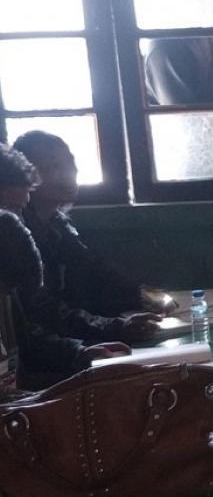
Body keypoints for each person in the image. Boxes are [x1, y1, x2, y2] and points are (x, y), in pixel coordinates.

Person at [12, 132, 169, 345]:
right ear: (25, 175)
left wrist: (144, 295)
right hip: (39, 355)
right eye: (54, 165)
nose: (70, 172)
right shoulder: (15, 236)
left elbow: (96, 272)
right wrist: (115, 327)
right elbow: (44, 309)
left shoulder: (57, 224)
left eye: (71, 162)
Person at [0, 145, 129, 392]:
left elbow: (26, 337)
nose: (18, 221)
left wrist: (78, 352)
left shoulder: (12, 263)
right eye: (8, 210)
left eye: (20, 210)